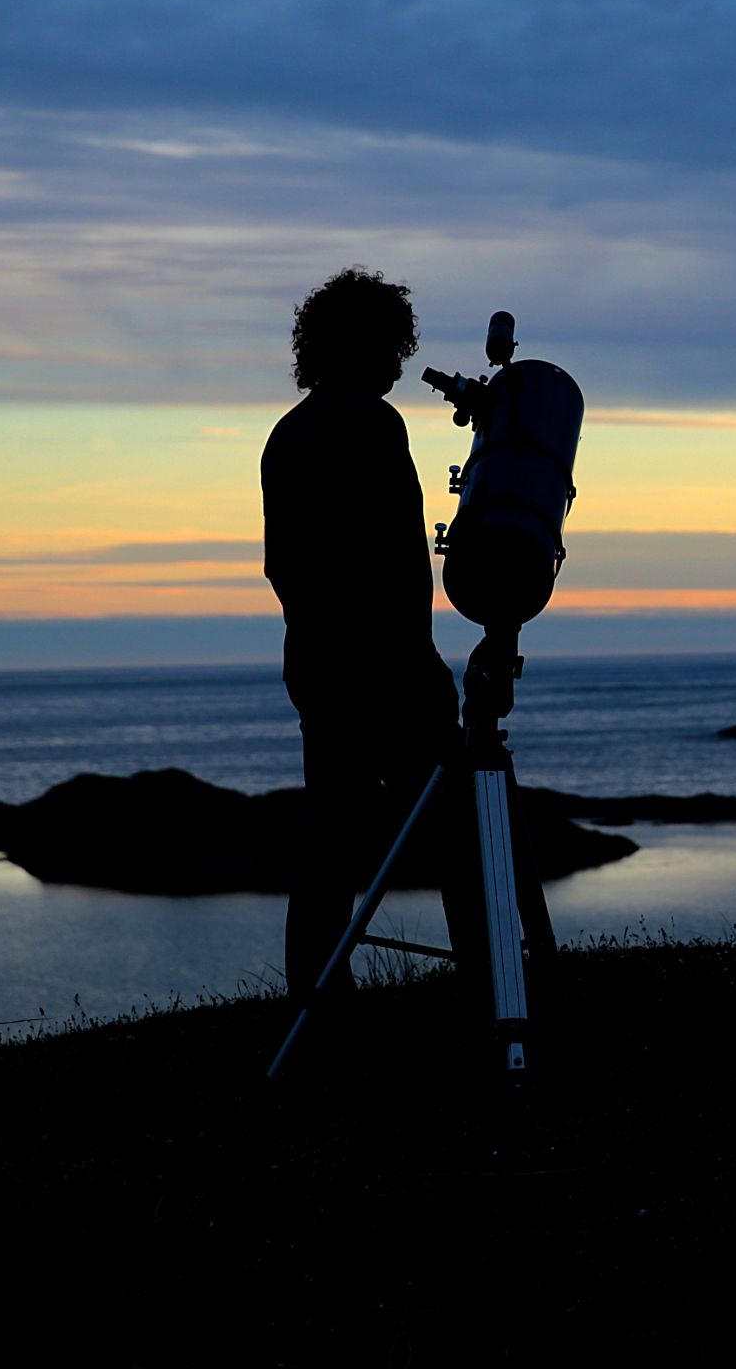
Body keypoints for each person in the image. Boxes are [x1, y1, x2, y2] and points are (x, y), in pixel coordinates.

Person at [261, 267, 469, 1008]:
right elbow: (393, 560)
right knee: (459, 827)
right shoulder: (372, 424)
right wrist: (417, 660)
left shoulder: (288, 434)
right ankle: (488, 981)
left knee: (331, 838)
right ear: (367, 343)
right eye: (392, 343)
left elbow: (281, 566)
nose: (400, 361)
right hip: (387, 666)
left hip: (318, 664)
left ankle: (316, 997)